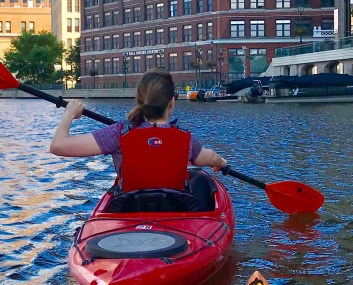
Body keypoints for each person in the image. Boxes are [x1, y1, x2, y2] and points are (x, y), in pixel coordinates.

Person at [50, 69, 228, 201]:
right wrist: (220, 162)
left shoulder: (118, 133)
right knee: (202, 181)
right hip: (174, 207)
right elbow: (209, 157)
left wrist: (69, 114)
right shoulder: (185, 138)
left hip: (129, 206)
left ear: (139, 99)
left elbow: (58, 146)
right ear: (171, 103)